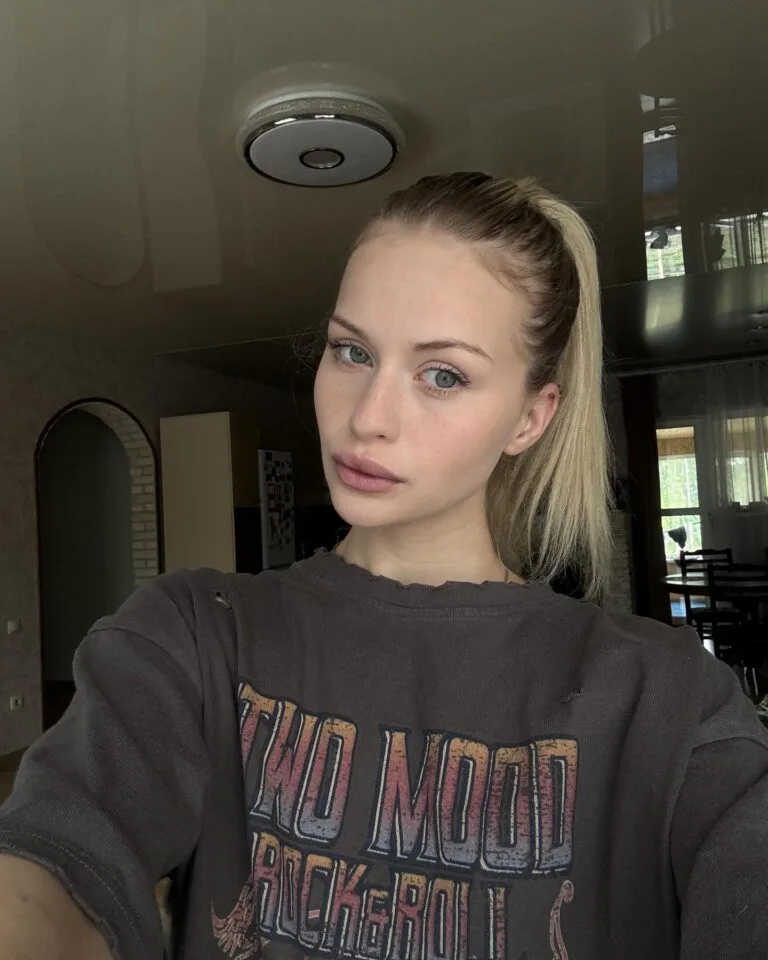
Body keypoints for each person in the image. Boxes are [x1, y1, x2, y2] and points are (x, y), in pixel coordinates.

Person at [1, 172, 766, 960]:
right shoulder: (193, 637)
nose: (367, 418)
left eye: (443, 375)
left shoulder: (668, 702)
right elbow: (57, 861)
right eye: (352, 351)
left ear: (530, 417)